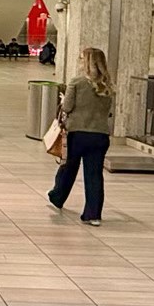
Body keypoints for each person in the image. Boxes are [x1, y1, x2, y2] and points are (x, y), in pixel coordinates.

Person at [48, 48, 115, 226]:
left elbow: (68, 107)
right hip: (100, 135)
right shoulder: (108, 85)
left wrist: (63, 100)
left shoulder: (76, 82)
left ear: (86, 62)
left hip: (77, 134)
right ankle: (93, 214)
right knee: (94, 175)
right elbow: (109, 112)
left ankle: (57, 196)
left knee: (68, 167)